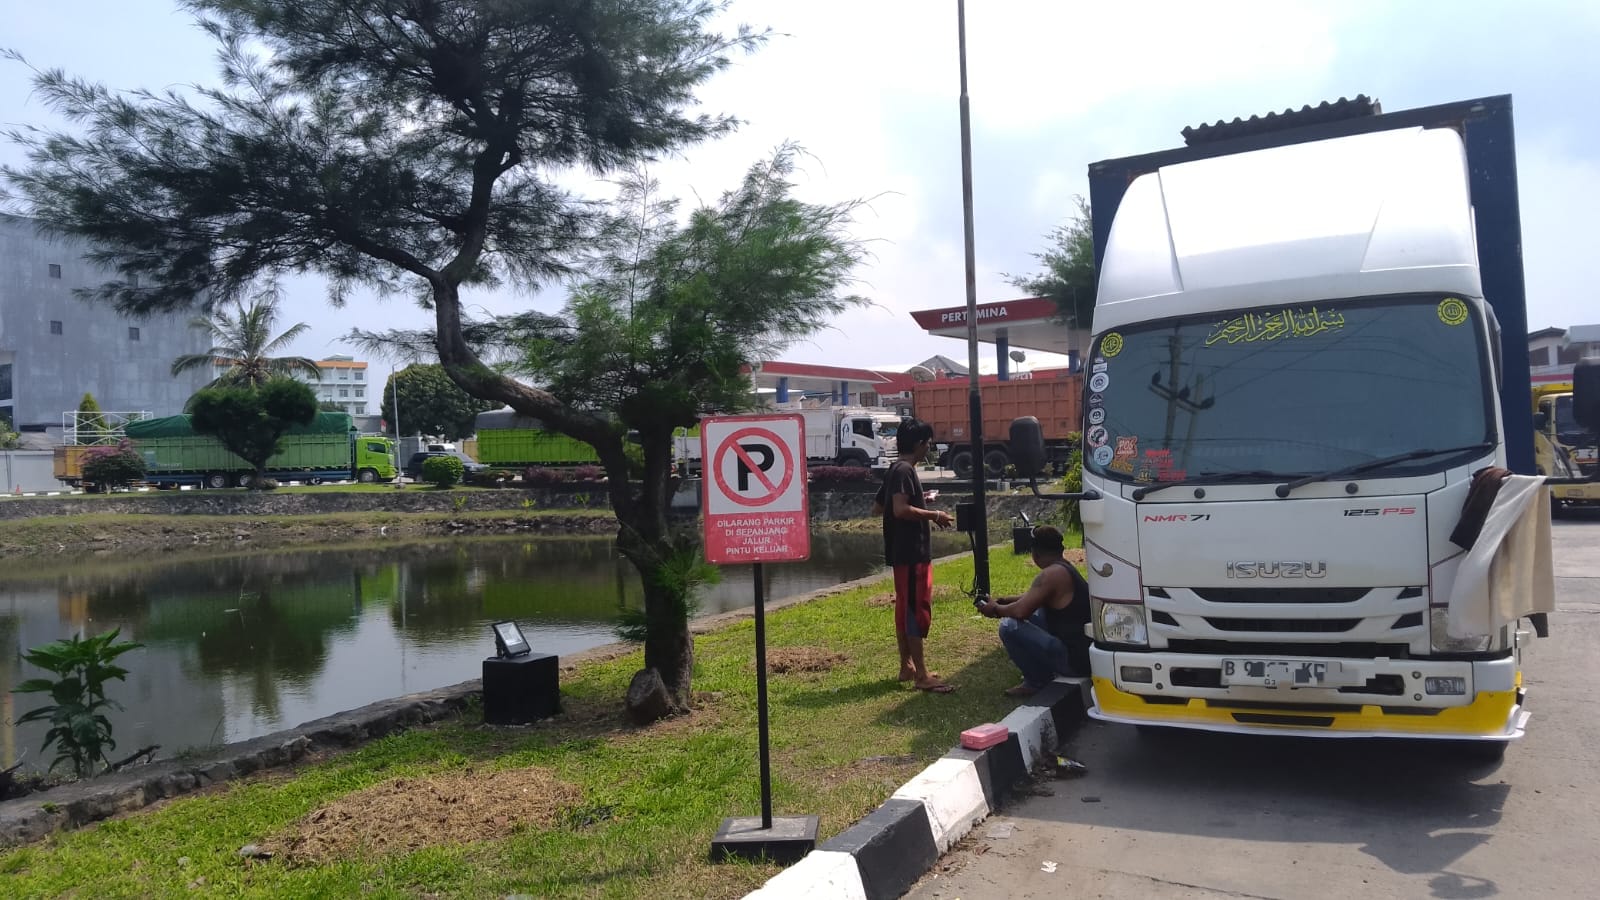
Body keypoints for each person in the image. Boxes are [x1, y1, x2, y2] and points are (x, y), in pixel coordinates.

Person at [880, 418, 956, 692]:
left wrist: (922, 501)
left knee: (904, 609)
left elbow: (879, 507)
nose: (930, 447)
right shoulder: (904, 471)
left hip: (901, 553)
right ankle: (922, 676)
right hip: (912, 554)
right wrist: (934, 514)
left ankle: (907, 667)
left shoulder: (894, 470)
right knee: (916, 611)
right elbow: (900, 509)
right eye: (928, 443)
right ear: (918, 444)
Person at [977, 525, 1091, 697]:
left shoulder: (1050, 575)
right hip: (1083, 656)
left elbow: (1021, 612)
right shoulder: (1064, 568)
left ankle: (1037, 681)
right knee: (1038, 612)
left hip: (1073, 663)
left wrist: (995, 609)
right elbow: (1034, 598)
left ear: (1035, 553)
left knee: (1009, 626)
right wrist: (1006, 600)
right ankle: (1041, 675)